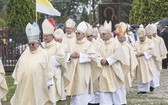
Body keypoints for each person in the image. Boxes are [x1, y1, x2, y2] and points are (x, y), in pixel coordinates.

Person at [10, 22, 54, 105]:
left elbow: (49, 69)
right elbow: (18, 67)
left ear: (38, 43)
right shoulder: (25, 53)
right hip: (24, 85)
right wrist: (17, 81)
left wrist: (49, 83)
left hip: (39, 84)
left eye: (33, 44)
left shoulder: (44, 53)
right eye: (29, 44)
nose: (31, 46)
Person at [96, 21, 129, 105]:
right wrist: (100, 60)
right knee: (104, 89)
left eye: (104, 34)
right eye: (101, 34)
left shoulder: (116, 43)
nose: (102, 36)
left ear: (109, 34)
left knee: (116, 88)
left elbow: (118, 55)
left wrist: (107, 60)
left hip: (114, 70)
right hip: (103, 70)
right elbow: (96, 54)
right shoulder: (100, 45)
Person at [64, 21, 97, 105]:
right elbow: (64, 54)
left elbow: (92, 56)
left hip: (83, 71)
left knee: (82, 95)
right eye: (76, 33)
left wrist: (80, 55)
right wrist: (70, 55)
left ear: (83, 34)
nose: (77, 34)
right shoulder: (71, 43)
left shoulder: (88, 44)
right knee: (74, 94)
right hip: (73, 72)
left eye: (79, 33)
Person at [41, 19, 68, 103]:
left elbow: (61, 59)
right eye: (44, 36)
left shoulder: (58, 46)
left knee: (52, 95)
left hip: (54, 72)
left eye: (46, 36)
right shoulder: (41, 45)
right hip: (42, 72)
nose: (44, 38)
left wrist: (48, 59)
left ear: (52, 36)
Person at [134, 26, 158, 94]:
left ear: (145, 35)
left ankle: (150, 86)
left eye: (142, 37)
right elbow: (133, 50)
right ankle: (142, 89)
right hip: (139, 62)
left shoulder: (150, 42)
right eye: (140, 38)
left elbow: (152, 51)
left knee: (148, 74)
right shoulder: (136, 43)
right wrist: (136, 54)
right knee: (140, 75)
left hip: (147, 61)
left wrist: (143, 53)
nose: (141, 39)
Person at [115, 22, 138, 89]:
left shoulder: (128, 46)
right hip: (118, 65)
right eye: (121, 38)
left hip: (126, 65)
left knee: (125, 79)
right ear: (118, 37)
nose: (122, 39)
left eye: (123, 37)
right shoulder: (115, 45)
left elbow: (132, 55)